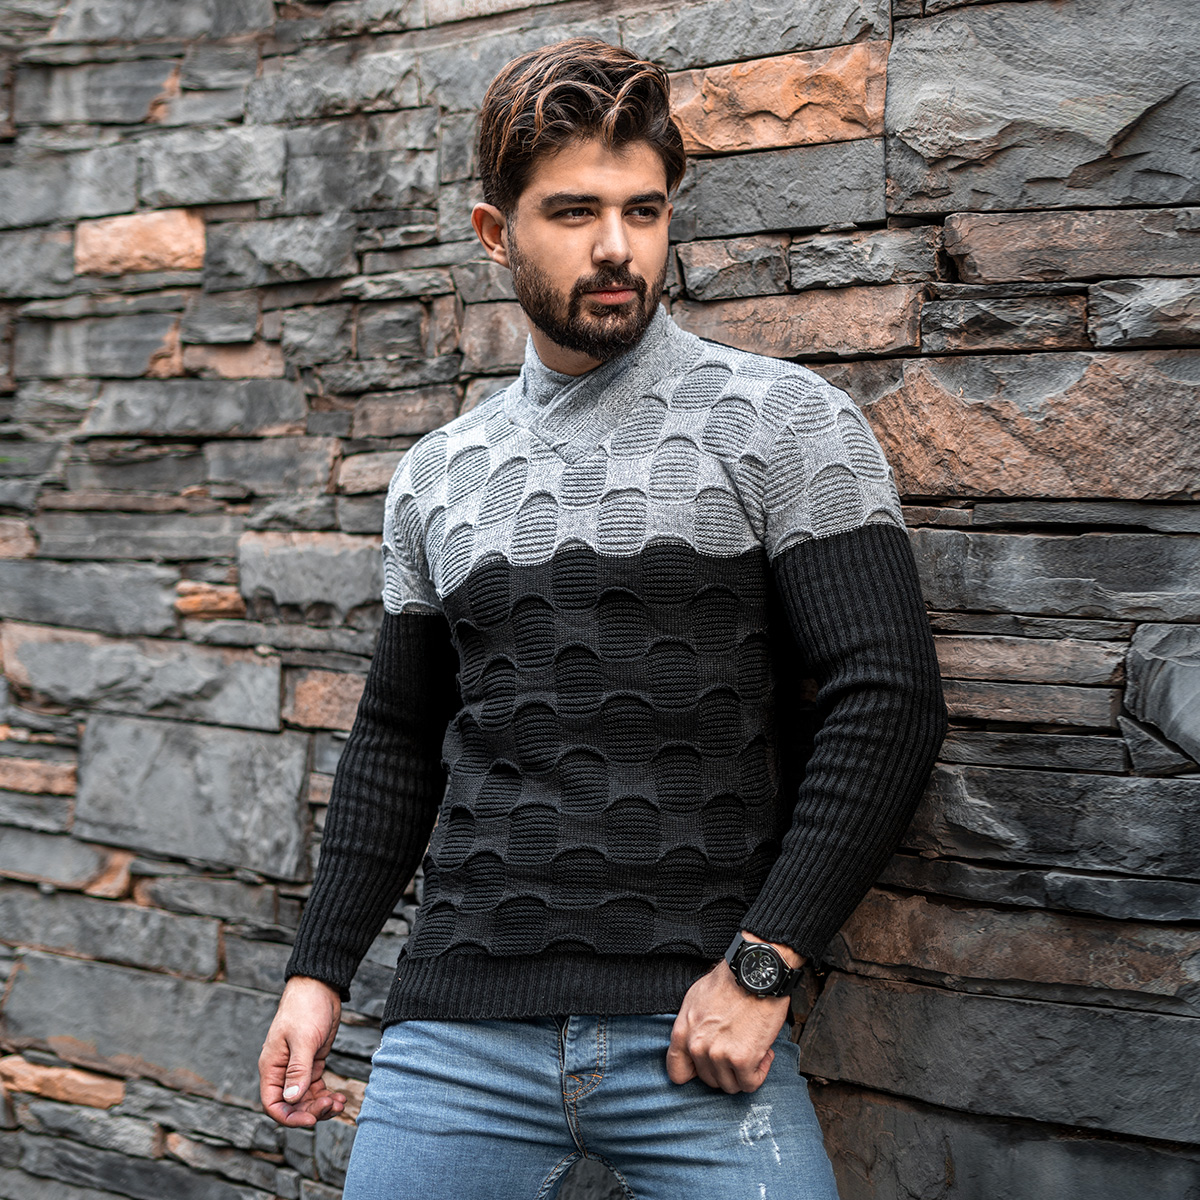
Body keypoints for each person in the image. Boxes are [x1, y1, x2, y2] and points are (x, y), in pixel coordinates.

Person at [258, 36, 947, 1200]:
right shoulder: (438, 476)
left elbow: (889, 701)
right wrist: (318, 973)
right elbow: (397, 740)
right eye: (574, 212)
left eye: (644, 210)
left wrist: (765, 967)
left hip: (697, 1030)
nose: (618, 247)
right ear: (495, 233)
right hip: (458, 1035)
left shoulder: (783, 424)